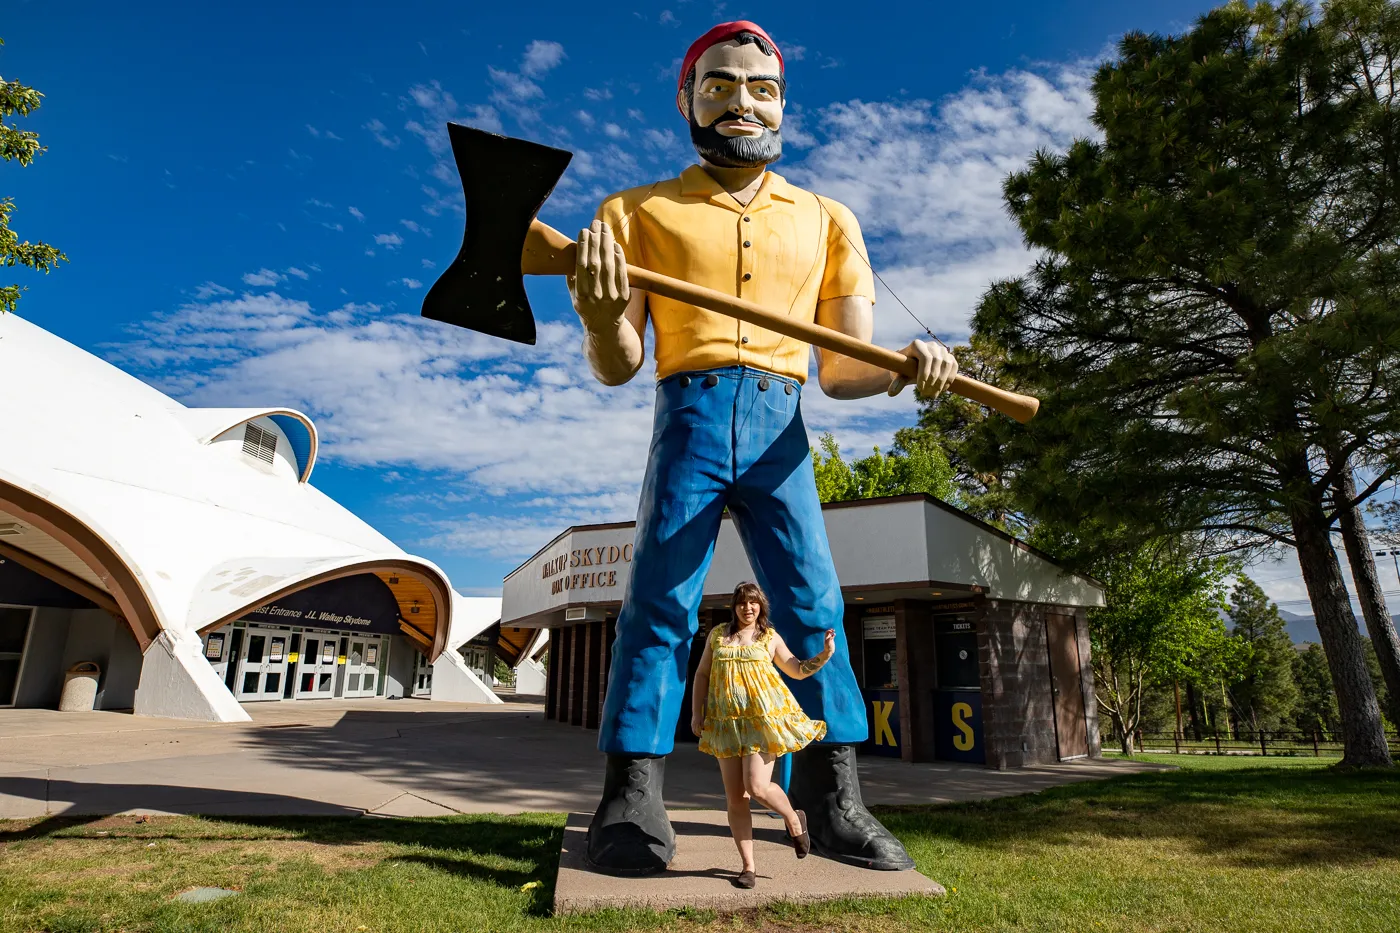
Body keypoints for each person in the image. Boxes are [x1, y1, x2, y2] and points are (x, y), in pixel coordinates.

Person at [576, 20, 958, 875]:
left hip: (783, 427)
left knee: (816, 607)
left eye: (761, 87)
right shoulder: (632, 213)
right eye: (719, 84)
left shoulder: (827, 219)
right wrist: (604, 315)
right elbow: (619, 364)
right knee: (658, 604)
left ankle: (835, 798)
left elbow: (843, 368)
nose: (740, 101)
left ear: (782, 101)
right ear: (685, 98)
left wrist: (904, 369)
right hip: (691, 418)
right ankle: (630, 796)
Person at [692, 582, 833, 889]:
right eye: (742, 603)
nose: (748, 608)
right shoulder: (718, 636)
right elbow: (702, 674)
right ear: (735, 606)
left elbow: (796, 669)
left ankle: (794, 819)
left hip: (760, 723)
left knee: (756, 787)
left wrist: (824, 654)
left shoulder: (768, 637)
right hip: (725, 724)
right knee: (735, 799)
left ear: (761, 607)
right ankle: (748, 867)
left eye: (753, 603)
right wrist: (696, 712)